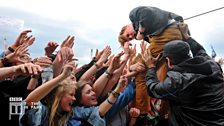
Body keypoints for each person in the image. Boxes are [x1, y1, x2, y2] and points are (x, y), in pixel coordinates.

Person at [142, 22, 224, 125]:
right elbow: (200, 51)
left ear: (168, 61)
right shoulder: (213, 66)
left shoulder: (178, 82)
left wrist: (151, 67)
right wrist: (187, 36)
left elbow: (152, 89)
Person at [118, 6, 185, 123]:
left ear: (127, 26)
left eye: (128, 34)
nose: (131, 37)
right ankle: (164, 111)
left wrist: (141, 29)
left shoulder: (134, 15)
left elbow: (145, 12)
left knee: (141, 73)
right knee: (165, 75)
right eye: (128, 38)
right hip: (175, 33)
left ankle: (143, 112)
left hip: (167, 35)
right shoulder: (152, 28)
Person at [19, 62, 77, 126]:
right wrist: (62, 76)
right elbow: (29, 101)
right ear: (59, 96)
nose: (74, 98)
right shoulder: (43, 112)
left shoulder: (68, 115)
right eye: (71, 94)